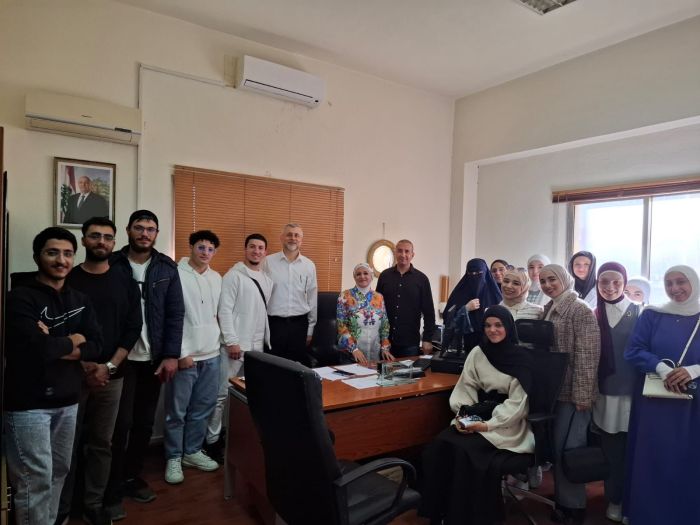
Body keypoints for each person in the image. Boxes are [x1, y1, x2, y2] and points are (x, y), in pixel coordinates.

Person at [4, 227, 102, 525]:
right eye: (53, 253)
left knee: (59, 472)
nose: (61, 260)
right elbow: (37, 349)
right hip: (29, 406)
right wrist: (74, 339)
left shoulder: (81, 299)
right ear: (37, 256)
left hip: (69, 400)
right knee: (34, 481)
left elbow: (97, 345)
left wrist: (56, 342)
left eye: (68, 254)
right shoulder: (19, 298)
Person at [57, 217, 142, 525]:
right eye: (95, 236)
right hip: (71, 375)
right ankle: (62, 507)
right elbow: (56, 329)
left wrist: (108, 366)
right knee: (66, 444)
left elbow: (133, 327)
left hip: (112, 375)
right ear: (83, 240)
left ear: (114, 241)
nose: (101, 242)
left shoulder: (125, 281)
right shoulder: (67, 279)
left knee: (102, 443)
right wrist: (82, 365)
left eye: (107, 237)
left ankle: (93, 503)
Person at [419, 305, 538, 525]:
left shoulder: (522, 358)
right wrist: (464, 417)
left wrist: (486, 425)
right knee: (440, 445)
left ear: (508, 327)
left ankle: (467, 518)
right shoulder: (478, 352)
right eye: (487, 325)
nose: (492, 330)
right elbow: (466, 386)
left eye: (498, 325)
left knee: (466, 453)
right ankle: (440, 512)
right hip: (477, 414)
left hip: (507, 424)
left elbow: (518, 404)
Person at [105, 210, 184, 520]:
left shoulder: (166, 266)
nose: (144, 233)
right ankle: (110, 486)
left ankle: (131, 477)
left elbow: (176, 313)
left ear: (156, 233)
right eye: (139, 228)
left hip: (153, 359)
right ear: (128, 230)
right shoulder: (112, 263)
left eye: (150, 229)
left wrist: (171, 354)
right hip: (120, 359)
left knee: (143, 424)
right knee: (118, 425)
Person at [624, 265, 700, 525]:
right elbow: (634, 350)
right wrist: (662, 369)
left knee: (688, 460)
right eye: (669, 283)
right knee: (652, 458)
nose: (675, 288)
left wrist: (692, 370)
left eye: (681, 282)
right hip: (655, 401)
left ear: (694, 283)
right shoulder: (652, 315)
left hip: (693, 405)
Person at [539, 263, 600, 524]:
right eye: (543, 281)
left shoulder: (579, 309)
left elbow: (588, 355)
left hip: (573, 394)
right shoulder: (550, 307)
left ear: (565, 279)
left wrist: (582, 396)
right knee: (559, 449)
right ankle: (563, 499)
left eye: (552, 279)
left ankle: (574, 508)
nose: (547, 285)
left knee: (570, 451)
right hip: (554, 391)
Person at [206, 233, 273, 461]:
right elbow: (224, 310)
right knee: (221, 394)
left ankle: (238, 436)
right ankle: (212, 440)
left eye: (260, 248)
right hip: (235, 347)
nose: (256, 251)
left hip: (256, 348)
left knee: (249, 395)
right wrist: (231, 340)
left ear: (265, 252)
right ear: (246, 250)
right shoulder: (233, 276)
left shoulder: (267, 280)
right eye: (252, 247)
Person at [163, 231, 222, 485]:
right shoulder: (175, 274)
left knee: (203, 407)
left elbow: (217, 314)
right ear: (190, 247)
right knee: (177, 411)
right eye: (201, 247)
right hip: (186, 356)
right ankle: (173, 456)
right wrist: (181, 352)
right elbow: (171, 316)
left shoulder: (216, 277)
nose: (205, 252)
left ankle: (192, 451)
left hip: (212, 353)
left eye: (210, 249)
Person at [591, 262, 640, 524]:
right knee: (611, 449)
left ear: (625, 283)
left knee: (635, 449)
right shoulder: (593, 313)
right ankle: (615, 498)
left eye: (616, 282)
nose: (609, 287)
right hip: (605, 394)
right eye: (603, 282)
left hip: (634, 393)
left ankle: (633, 500)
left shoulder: (640, 312)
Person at [264, 223, 317, 366]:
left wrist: (310, 330)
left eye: (296, 235)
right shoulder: (268, 262)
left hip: (299, 326)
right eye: (289, 235)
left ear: (301, 240)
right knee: (273, 367)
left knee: (295, 368)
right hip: (274, 324)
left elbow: (312, 298)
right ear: (281, 238)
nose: (293, 238)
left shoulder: (309, 265)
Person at [376, 239, 436, 357]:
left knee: (407, 370)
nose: (403, 255)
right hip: (384, 340)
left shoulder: (422, 279)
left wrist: (427, 339)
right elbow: (376, 307)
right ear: (395, 253)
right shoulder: (384, 276)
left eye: (407, 251)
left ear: (412, 255)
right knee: (382, 369)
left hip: (409, 342)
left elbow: (429, 312)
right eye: (400, 251)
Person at [337, 262, 394, 365]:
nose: (362, 276)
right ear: (354, 277)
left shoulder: (379, 297)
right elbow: (341, 325)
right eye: (358, 274)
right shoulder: (345, 296)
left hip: (374, 352)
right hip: (351, 354)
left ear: (371, 276)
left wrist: (385, 348)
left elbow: (384, 325)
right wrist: (353, 349)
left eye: (365, 273)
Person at [442, 258, 501, 353]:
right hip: (465, 345)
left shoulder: (494, 294)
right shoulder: (460, 292)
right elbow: (448, 319)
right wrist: (465, 308)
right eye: (471, 273)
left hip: (491, 343)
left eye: (479, 273)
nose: (475, 276)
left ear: (485, 273)